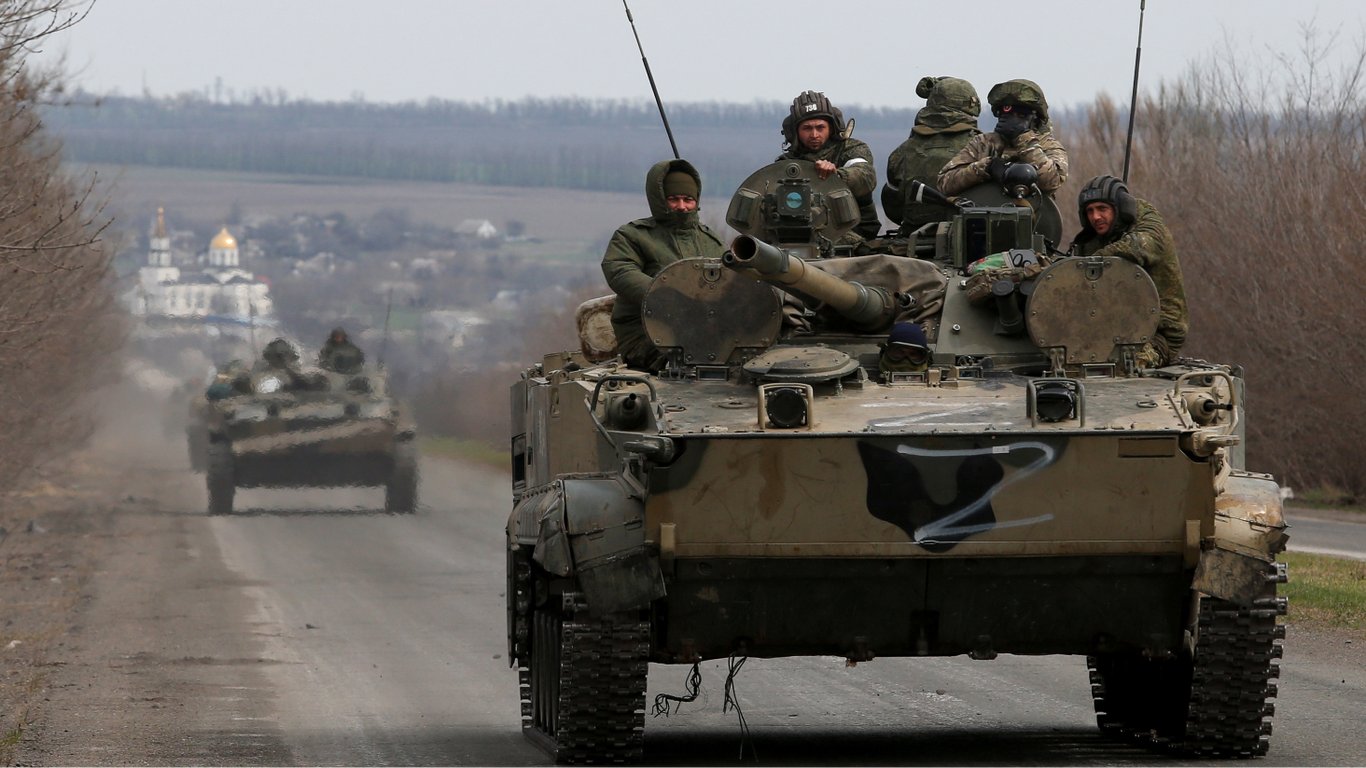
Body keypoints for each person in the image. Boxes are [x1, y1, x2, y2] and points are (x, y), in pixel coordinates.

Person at [601, 158, 726, 371]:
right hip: (647, 336)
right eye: (673, 199)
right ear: (659, 199)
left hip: (706, 336)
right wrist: (667, 296)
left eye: (688, 199)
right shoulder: (634, 236)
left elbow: (732, 283)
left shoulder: (711, 242)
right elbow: (619, 270)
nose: (682, 206)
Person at [1069, 175, 1188, 367]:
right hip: (1113, 331)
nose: (1095, 217)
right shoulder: (1094, 239)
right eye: (1089, 211)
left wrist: (1087, 264)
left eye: (1102, 208)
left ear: (1121, 209)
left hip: (1157, 335)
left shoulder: (1149, 226)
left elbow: (1138, 246)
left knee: (1124, 368)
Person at [778, 90, 880, 246]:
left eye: (820, 127)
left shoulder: (850, 149)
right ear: (795, 132)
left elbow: (865, 176)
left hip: (856, 233)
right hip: (800, 236)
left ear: (831, 127)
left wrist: (837, 175)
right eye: (807, 128)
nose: (814, 134)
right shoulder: (787, 163)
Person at [936, 79, 1068, 198]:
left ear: (1033, 117)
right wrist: (986, 167)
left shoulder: (1047, 145)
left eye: (1019, 114)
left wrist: (1023, 139)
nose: (1009, 119)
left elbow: (1051, 182)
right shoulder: (983, 143)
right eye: (1004, 113)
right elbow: (944, 183)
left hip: (1034, 214)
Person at [882, 76, 982, 234]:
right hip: (969, 240)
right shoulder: (981, 147)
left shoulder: (902, 151)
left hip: (912, 241)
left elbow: (893, 207)